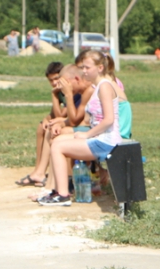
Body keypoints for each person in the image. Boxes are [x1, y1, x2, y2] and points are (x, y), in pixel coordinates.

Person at [40, 51, 122, 206]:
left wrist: (87, 135)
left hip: (107, 141)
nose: (84, 71)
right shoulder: (98, 86)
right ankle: (58, 191)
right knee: (58, 142)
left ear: (99, 68)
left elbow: (109, 120)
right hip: (100, 137)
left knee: (58, 147)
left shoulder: (104, 86)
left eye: (87, 68)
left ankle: (62, 194)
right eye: (83, 67)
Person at [16, 63, 94, 190]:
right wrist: (48, 119)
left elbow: (70, 119)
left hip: (91, 131)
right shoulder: (76, 90)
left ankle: (55, 185)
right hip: (83, 127)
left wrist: (65, 95)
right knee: (44, 127)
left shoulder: (82, 91)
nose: (57, 83)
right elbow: (55, 114)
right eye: (51, 80)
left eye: (58, 79)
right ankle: (40, 173)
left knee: (55, 135)